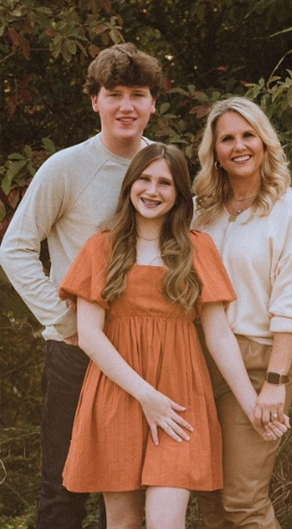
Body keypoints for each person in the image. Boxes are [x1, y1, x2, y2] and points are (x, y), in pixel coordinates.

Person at [57, 143, 285, 529]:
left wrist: (251, 405)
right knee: (125, 522)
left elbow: (219, 336)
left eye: (165, 183)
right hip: (120, 393)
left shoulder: (197, 247)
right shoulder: (102, 247)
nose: (152, 190)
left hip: (179, 399)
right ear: (130, 184)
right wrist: (146, 396)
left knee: (167, 522)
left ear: (179, 193)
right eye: (144, 179)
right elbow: (90, 335)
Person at [0, 43, 162, 529]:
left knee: (136, 487)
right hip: (77, 353)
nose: (126, 106)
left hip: (147, 350)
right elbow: (15, 248)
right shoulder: (66, 168)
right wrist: (66, 321)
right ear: (95, 101)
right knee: (65, 488)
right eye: (114, 94)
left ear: (154, 102)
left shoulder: (163, 166)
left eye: (138, 94)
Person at [192, 96, 292, 528]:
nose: (239, 146)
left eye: (248, 135)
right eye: (227, 138)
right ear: (215, 151)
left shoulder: (291, 210)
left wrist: (275, 383)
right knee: (209, 496)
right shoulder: (200, 211)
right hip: (195, 361)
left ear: (265, 143)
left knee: (243, 500)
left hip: (257, 363)